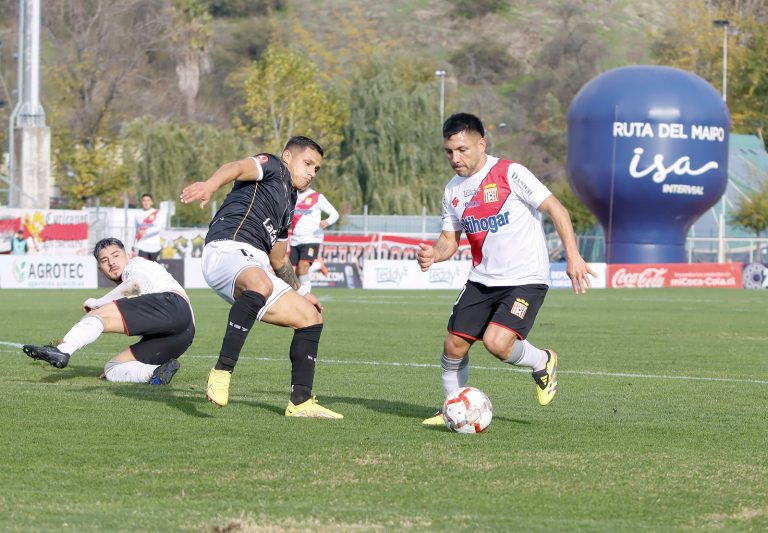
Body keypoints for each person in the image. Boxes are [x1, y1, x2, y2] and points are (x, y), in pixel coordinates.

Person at [418, 113, 595, 426]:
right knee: (453, 345)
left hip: (526, 279)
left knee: (498, 343)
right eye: (449, 152)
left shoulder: (510, 173)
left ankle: (543, 360)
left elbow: (558, 209)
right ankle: (451, 407)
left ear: (481, 144)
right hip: (482, 279)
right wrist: (434, 254)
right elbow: (449, 241)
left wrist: (573, 256)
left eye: (462, 150)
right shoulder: (452, 191)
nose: (455, 158)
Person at [179, 136, 343, 418]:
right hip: (226, 248)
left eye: (316, 169)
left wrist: (302, 293)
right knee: (260, 282)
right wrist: (210, 185)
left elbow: (278, 259)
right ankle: (221, 372)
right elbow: (236, 166)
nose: (311, 173)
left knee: (311, 317)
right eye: (307, 163)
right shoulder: (273, 166)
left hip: (253, 264)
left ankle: (300, 402)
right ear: (288, 156)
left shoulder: (290, 203)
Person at [22, 237, 194, 384]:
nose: (111, 262)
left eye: (115, 255)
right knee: (113, 368)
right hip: (184, 334)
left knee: (97, 315)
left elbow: (134, 286)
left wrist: (97, 304)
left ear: (128, 255)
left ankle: (63, 350)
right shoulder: (135, 275)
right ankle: (156, 373)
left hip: (171, 305)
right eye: (104, 261)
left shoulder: (135, 264)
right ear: (100, 270)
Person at [289, 186, 339, 293]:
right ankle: (317, 265)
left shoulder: (317, 197)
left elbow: (335, 214)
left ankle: (306, 297)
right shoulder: (291, 196)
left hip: (312, 239)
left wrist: (327, 222)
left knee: (302, 268)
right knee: (293, 273)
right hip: (295, 239)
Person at [133, 193, 163, 261]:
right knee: (143, 269)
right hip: (142, 247)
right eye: (144, 200)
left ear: (152, 202)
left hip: (155, 247)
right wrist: (133, 244)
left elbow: (158, 228)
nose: (146, 202)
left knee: (155, 270)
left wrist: (145, 232)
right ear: (141, 202)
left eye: (148, 200)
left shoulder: (157, 213)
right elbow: (135, 230)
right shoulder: (138, 214)